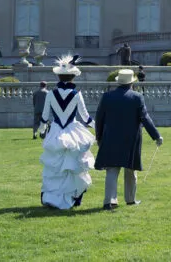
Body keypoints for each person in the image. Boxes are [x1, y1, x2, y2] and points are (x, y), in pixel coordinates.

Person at [95, 68, 163, 210]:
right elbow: (145, 118)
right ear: (132, 83)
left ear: (118, 82)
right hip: (131, 138)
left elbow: (99, 119)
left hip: (110, 138)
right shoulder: (137, 97)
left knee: (112, 170)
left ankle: (109, 201)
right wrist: (156, 135)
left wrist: (99, 137)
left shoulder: (107, 96)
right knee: (131, 170)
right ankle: (130, 199)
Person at [38, 54, 95, 209]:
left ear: (59, 76)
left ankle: (51, 197)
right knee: (74, 166)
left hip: (56, 131)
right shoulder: (77, 94)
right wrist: (98, 127)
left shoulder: (50, 94)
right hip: (73, 132)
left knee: (55, 169)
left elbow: (44, 117)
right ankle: (75, 197)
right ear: (72, 77)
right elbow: (86, 117)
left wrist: (41, 129)